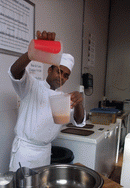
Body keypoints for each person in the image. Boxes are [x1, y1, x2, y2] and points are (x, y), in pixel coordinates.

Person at [8, 31, 86, 172]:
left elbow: (79, 121)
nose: (62, 77)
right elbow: (15, 71)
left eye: (66, 75)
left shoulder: (63, 98)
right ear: (49, 70)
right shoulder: (31, 86)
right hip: (24, 152)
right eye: (59, 71)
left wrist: (80, 103)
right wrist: (32, 54)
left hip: (44, 154)